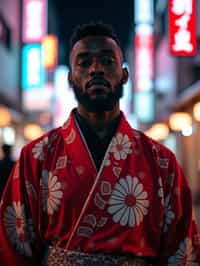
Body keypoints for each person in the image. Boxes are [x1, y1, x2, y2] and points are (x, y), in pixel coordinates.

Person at [0, 22, 199, 266]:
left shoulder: (161, 161)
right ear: (70, 77)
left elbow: (182, 249)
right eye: (84, 63)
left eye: (107, 61)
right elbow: (13, 246)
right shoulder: (36, 156)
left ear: (124, 74)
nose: (96, 69)